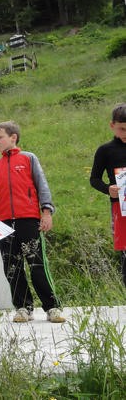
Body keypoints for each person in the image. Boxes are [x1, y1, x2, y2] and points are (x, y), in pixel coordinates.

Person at [0, 121, 65, 323]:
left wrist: (46, 212)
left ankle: (52, 307)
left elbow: (42, 186)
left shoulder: (29, 159)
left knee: (37, 264)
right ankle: (23, 308)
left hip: (28, 220)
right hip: (2, 224)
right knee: (12, 266)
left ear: (13, 137)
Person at [90, 103, 126, 287]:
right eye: (122, 129)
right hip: (120, 208)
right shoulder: (106, 150)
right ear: (112, 126)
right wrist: (108, 188)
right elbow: (94, 179)